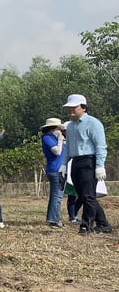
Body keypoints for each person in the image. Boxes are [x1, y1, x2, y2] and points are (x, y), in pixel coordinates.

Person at [62, 94, 112, 236]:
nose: (70, 110)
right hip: (76, 161)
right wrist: (64, 164)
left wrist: (100, 165)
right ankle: (103, 224)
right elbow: (68, 147)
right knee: (84, 196)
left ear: (83, 107)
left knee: (88, 195)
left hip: (89, 161)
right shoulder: (70, 126)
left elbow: (100, 145)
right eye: (69, 108)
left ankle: (86, 225)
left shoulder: (93, 123)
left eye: (74, 107)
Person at [40, 118, 66, 228]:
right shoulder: (47, 138)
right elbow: (57, 152)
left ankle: (54, 218)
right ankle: (54, 220)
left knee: (56, 196)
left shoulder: (53, 138)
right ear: (53, 128)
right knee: (57, 196)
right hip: (55, 170)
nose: (60, 131)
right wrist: (60, 140)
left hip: (59, 169)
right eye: (58, 128)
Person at [61, 121, 81, 224]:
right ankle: (72, 217)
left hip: (78, 168)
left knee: (82, 195)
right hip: (69, 170)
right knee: (72, 195)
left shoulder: (75, 142)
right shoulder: (63, 142)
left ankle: (74, 214)